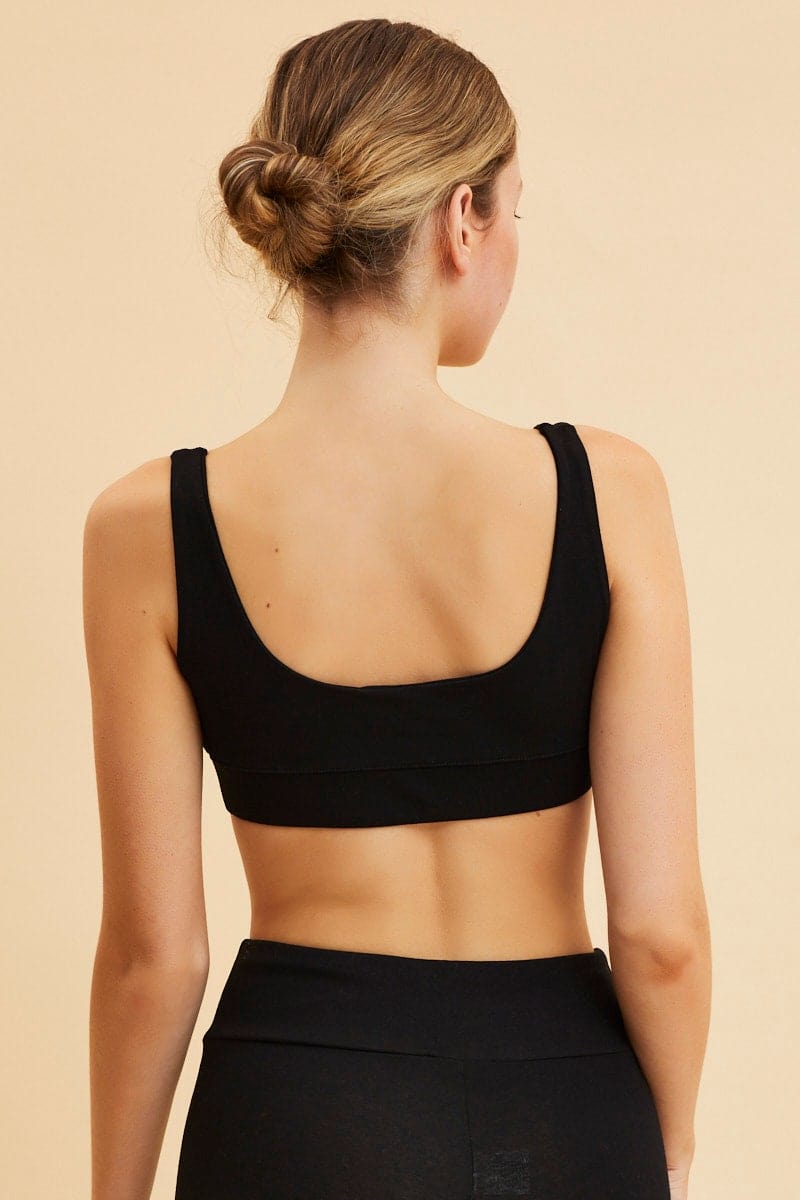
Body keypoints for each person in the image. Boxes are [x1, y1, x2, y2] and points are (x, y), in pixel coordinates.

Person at [82, 17, 711, 1200]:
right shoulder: (608, 492)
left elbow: (152, 959)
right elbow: (659, 932)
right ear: (460, 219)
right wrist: (664, 1142)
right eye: (514, 209)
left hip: (292, 1112)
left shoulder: (146, 528)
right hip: (564, 1107)